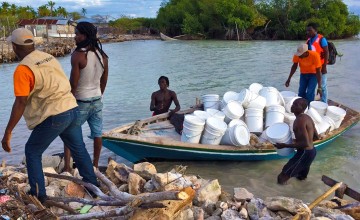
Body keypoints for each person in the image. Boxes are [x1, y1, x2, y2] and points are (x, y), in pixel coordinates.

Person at [1, 28, 99, 203]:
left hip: (55, 115)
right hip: (71, 107)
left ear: (15, 47)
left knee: (32, 151)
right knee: (78, 148)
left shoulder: (23, 69)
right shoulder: (48, 57)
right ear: (32, 43)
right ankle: (93, 186)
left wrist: (8, 132)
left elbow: (21, 102)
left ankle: (39, 195)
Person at [63, 22, 109, 172]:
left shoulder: (78, 55)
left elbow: (73, 84)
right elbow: (104, 80)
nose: (75, 37)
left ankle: (68, 168)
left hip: (81, 101)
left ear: (85, 35)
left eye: (77, 34)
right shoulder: (103, 56)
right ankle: (95, 166)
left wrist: (68, 102)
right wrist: (99, 94)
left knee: (69, 132)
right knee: (97, 133)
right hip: (96, 100)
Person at [275, 98, 320, 185]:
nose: (292, 106)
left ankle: (280, 196)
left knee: (282, 177)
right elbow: (316, 137)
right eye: (293, 104)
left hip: (304, 153)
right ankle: (300, 194)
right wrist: (298, 140)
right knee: (301, 178)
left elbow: (305, 143)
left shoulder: (299, 121)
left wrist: (285, 145)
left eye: (296, 105)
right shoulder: (307, 117)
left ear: (302, 108)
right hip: (312, 152)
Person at [306, 22, 329, 103]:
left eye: (310, 30)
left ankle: (324, 102)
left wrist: (324, 66)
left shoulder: (322, 39)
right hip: (313, 67)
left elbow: (326, 52)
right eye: (307, 31)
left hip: (321, 66)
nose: (308, 32)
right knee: (312, 86)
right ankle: (310, 102)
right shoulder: (308, 40)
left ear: (315, 30)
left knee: (323, 85)